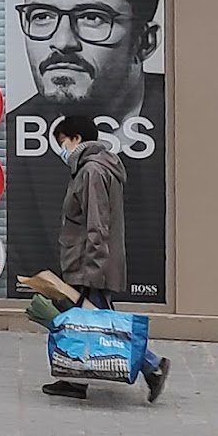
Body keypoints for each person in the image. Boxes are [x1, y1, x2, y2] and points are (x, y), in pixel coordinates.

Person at [5, 0, 166, 302]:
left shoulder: (182, 124)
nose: (62, 41)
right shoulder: (5, 139)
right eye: (42, 16)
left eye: (93, 17)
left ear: (145, 41)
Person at [42, 115, 170, 403]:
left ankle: (152, 366)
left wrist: (93, 268)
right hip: (89, 260)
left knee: (103, 322)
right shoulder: (94, 167)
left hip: (90, 263)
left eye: (63, 142)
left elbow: (97, 223)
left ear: (76, 138)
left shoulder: (92, 171)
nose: (62, 149)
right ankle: (75, 379)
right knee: (89, 321)